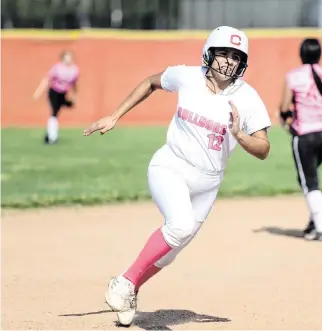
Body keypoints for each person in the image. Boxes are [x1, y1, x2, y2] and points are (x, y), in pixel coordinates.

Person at [83, 26, 271, 326]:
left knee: (169, 254)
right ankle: (125, 281)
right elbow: (151, 82)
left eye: (237, 56)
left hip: (208, 184)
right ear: (209, 53)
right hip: (171, 166)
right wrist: (116, 114)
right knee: (180, 226)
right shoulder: (186, 76)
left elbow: (263, 148)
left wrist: (240, 135)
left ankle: (130, 289)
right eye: (224, 53)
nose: (229, 61)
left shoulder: (247, 98)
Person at [277, 38, 322, 242]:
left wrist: (284, 119)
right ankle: (313, 222)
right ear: (319, 54)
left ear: (301, 54)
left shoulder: (293, 77)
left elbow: (284, 107)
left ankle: (321, 229)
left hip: (305, 134)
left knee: (309, 181)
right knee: (308, 177)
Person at [33, 50, 79, 144]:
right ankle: (52, 137)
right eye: (67, 57)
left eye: (70, 57)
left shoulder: (74, 69)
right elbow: (47, 79)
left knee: (56, 112)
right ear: (63, 58)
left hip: (63, 94)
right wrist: (38, 92)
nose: (69, 59)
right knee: (54, 112)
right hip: (54, 92)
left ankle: (50, 134)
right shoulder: (57, 67)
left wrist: (74, 96)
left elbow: (74, 84)